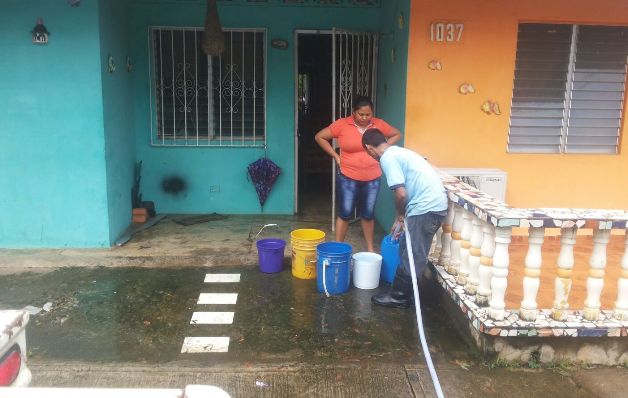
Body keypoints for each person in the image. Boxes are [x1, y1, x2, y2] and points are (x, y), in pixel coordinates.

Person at [362, 128, 448, 308]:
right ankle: (407, 293)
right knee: (405, 247)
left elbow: (401, 194)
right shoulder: (399, 152)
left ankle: (399, 297)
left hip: (426, 209)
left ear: (369, 148)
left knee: (413, 254)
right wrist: (402, 217)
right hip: (429, 207)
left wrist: (400, 216)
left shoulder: (387, 158)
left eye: (368, 152)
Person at [315, 97, 402, 252]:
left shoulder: (379, 124)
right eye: (361, 114)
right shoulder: (342, 124)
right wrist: (336, 157)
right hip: (348, 177)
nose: (364, 118)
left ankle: (370, 249)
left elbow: (397, 134)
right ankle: (338, 248)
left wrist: (384, 149)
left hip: (373, 178)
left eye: (368, 114)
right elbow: (320, 137)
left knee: (368, 214)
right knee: (345, 212)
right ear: (353, 112)